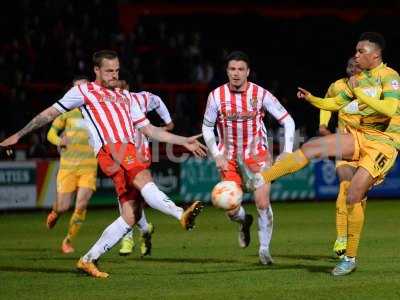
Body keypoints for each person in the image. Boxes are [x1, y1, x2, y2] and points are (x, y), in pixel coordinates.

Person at [0, 50, 207, 278]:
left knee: (131, 215)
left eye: (117, 70)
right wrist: (19, 135)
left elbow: (149, 130)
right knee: (143, 177)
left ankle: (88, 259)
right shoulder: (84, 91)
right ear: (96, 70)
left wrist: (183, 140)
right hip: (112, 148)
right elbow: (49, 114)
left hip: (126, 148)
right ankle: (181, 214)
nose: (114, 74)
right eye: (109, 70)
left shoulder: (126, 97)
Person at [240, 32, 400, 276]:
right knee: (313, 146)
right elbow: (335, 103)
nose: (356, 56)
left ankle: (350, 257)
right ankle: (262, 178)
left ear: (375, 54)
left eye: (361, 52)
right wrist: (312, 99)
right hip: (361, 136)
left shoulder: (389, 76)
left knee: (354, 192)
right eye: (355, 51)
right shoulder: (357, 80)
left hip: (385, 143)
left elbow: (390, 108)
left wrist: (358, 94)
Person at [202, 51, 295, 265]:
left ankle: (264, 249)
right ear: (227, 71)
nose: (236, 74)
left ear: (248, 72)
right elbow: (207, 128)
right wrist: (216, 154)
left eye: (240, 69)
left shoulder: (260, 94)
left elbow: (288, 120)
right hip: (228, 158)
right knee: (230, 206)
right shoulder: (216, 96)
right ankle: (244, 221)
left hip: (257, 155)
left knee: (262, 202)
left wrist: (288, 151)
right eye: (232, 69)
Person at [117, 79, 175, 257]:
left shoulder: (140, 99)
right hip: (119, 155)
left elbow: (157, 100)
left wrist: (168, 121)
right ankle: (144, 229)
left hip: (140, 155)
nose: (117, 90)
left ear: (127, 87)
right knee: (127, 197)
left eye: (120, 87)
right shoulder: (107, 103)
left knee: (128, 197)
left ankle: (129, 237)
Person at [318, 58, 366, 259]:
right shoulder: (337, 86)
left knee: (359, 198)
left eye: (357, 65)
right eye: (350, 65)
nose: (353, 68)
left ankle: (352, 240)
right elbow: (327, 104)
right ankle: (341, 237)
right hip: (345, 146)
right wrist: (323, 124)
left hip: (367, 147)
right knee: (345, 185)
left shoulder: (373, 88)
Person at [46, 76, 97, 254]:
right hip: (68, 167)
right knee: (63, 207)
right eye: (77, 89)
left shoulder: (97, 114)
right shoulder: (66, 113)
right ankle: (55, 212)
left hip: (89, 167)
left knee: (81, 205)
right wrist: (60, 141)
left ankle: (68, 240)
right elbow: (50, 134)